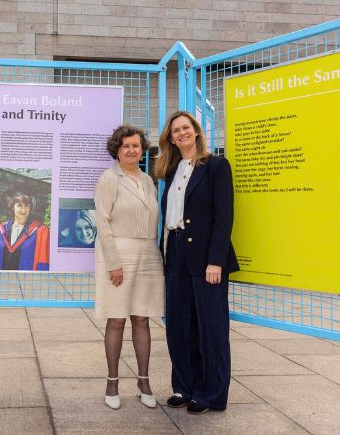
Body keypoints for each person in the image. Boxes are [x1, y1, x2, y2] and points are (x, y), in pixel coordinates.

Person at [155, 111, 239, 414]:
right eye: (175, 130)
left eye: (185, 128)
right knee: (178, 324)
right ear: (171, 137)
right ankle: (185, 386)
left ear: (196, 132)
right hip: (175, 252)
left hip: (206, 258)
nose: (181, 134)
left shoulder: (216, 165)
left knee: (210, 328)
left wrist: (215, 261)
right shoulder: (171, 170)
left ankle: (211, 394)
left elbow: (223, 217)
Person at [94, 125, 164, 410]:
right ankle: (112, 383)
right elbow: (102, 221)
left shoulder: (148, 179)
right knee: (117, 319)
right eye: (126, 146)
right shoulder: (109, 179)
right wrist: (113, 263)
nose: (132, 150)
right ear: (117, 149)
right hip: (118, 256)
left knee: (142, 318)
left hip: (148, 253)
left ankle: (143, 382)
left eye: (136, 145)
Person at [0, 192, 49, 271]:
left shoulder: (40, 230)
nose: (23, 210)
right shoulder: (1, 229)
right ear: (13, 207)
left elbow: (43, 260)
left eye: (26, 206)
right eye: (19, 206)